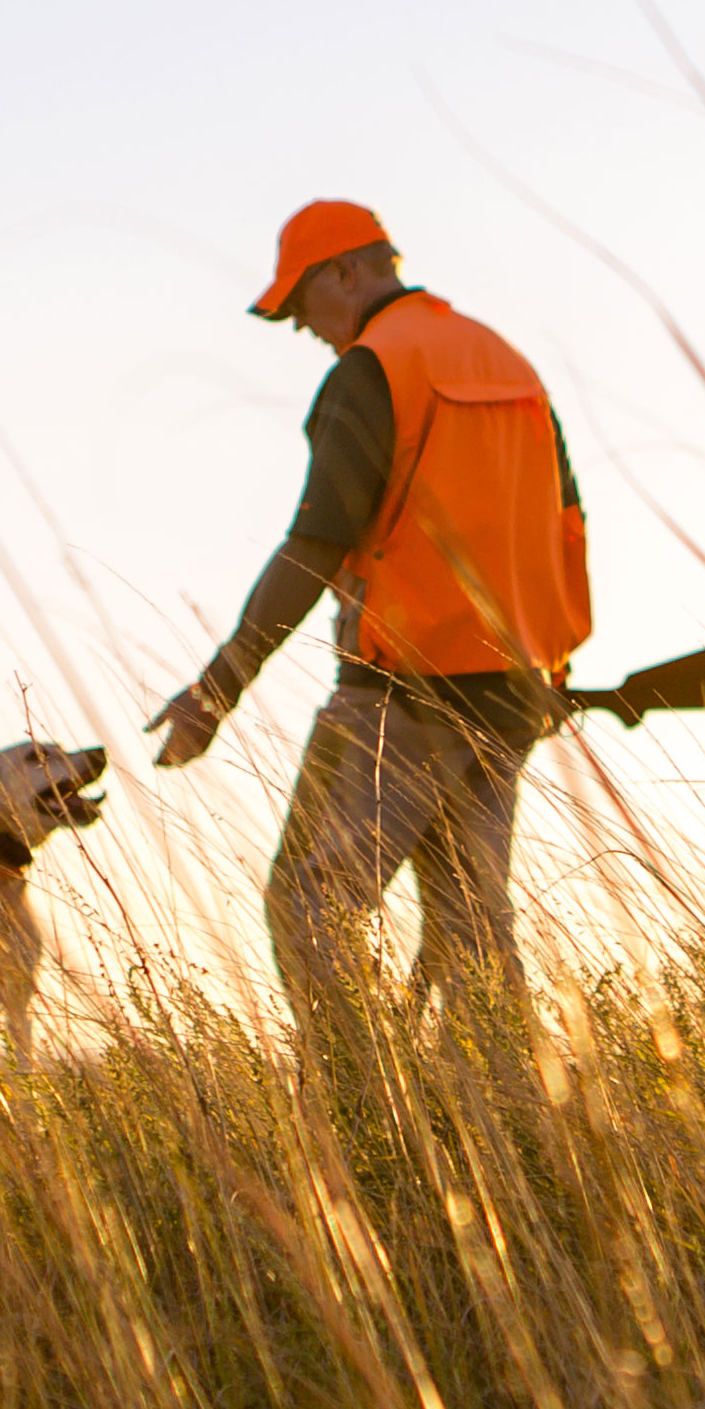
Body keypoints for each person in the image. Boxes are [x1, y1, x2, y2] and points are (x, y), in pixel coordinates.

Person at [147, 199, 591, 1043]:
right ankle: (513, 1112)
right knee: (473, 926)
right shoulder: (506, 363)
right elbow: (565, 527)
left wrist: (216, 690)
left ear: (344, 271)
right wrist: (549, 669)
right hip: (508, 698)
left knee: (308, 904)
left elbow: (316, 546)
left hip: (397, 697)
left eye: (299, 304)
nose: (301, 328)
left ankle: (365, 1104)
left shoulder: (374, 367)